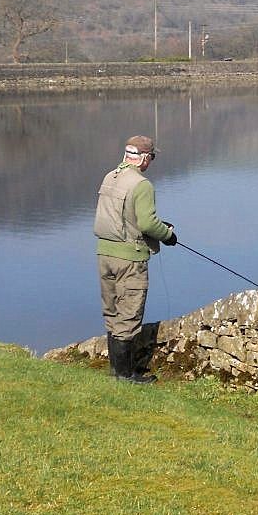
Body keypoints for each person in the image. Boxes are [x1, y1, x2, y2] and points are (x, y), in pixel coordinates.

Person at [93, 135, 176, 384]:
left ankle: (116, 371)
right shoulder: (142, 184)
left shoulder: (110, 177)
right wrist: (168, 235)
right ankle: (126, 376)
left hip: (104, 254)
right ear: (143, 158)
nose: (151, 161)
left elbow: (123, 217)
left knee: (112, 311)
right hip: (129, 258)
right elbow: (147, 223)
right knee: (128, 315)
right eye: (151, 157)